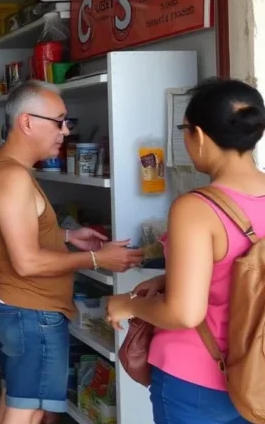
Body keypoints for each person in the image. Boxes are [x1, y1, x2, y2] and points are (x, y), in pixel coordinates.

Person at [0, 81, 142, 424]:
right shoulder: (12, 176)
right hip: (31, 311)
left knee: (17, 401)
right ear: (27, 122)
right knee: (28, 411)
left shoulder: (8, 170)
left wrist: (66, 235)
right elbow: (27, 262)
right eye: (59, 121)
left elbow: (20, 232)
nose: (65, 131)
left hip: (22, 309)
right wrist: (98, 259)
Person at [106, 78, 265, 424]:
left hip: (199, 380)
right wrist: (169, 278)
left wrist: (125, 305)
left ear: (200, 136)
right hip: (259, 371)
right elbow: (244, 270)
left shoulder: (196, 208)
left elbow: (184, 313)